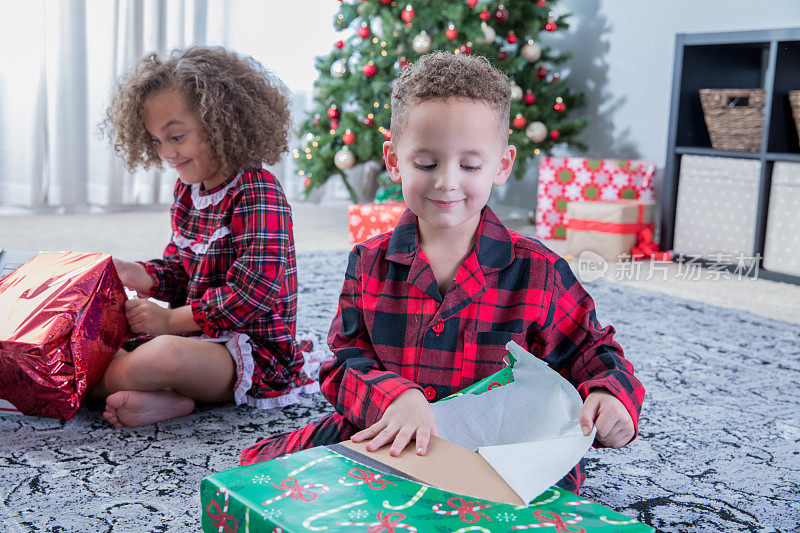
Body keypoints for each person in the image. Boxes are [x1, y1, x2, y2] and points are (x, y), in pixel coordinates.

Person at [241, 52, 645, 494]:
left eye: (470, 166)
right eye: (427, 164)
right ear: (394, 161)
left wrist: (610, 395)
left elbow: (592, 350)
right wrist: (397, 396)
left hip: (499, 452)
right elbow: (341, 362)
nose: (447, 182)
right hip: (392, 436)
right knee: (270, 482)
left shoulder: (540, 271)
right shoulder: (368, 262)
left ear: (503, 165)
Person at [97, 46, 316, 427]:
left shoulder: (258, 192)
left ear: (221, 122)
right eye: (156, 141)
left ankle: (92, 381)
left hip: (246, 348)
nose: (166, 153)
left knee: (161, 355)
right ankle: (170, 398)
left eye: (176, 136)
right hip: (195, 334)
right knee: (109, 340)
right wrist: (140, 274)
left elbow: (252, 296)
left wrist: (168, 323)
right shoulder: (189, 190)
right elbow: (183, 270)